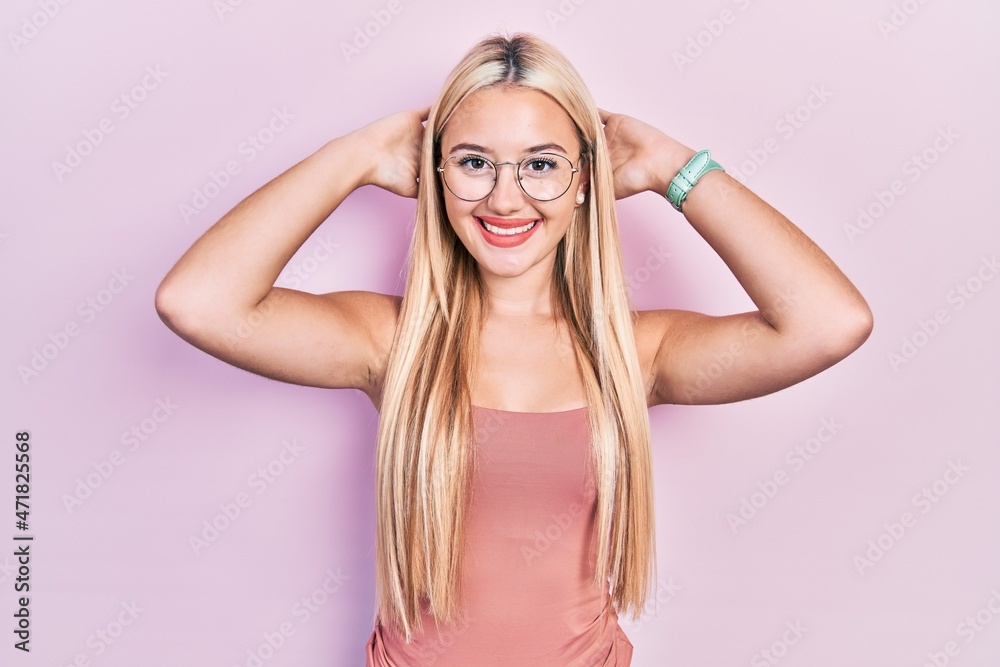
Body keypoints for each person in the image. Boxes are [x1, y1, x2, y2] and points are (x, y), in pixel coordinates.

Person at [155, 31, 873, 667]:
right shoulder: (393, 343)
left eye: (540, 165)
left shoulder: (633, 351)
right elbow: (198, 302)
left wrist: (666, 164)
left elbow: (828, 322)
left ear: (585, 179)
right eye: (474, 162)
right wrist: (359, 154)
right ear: (433, 173)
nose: (504, 200)